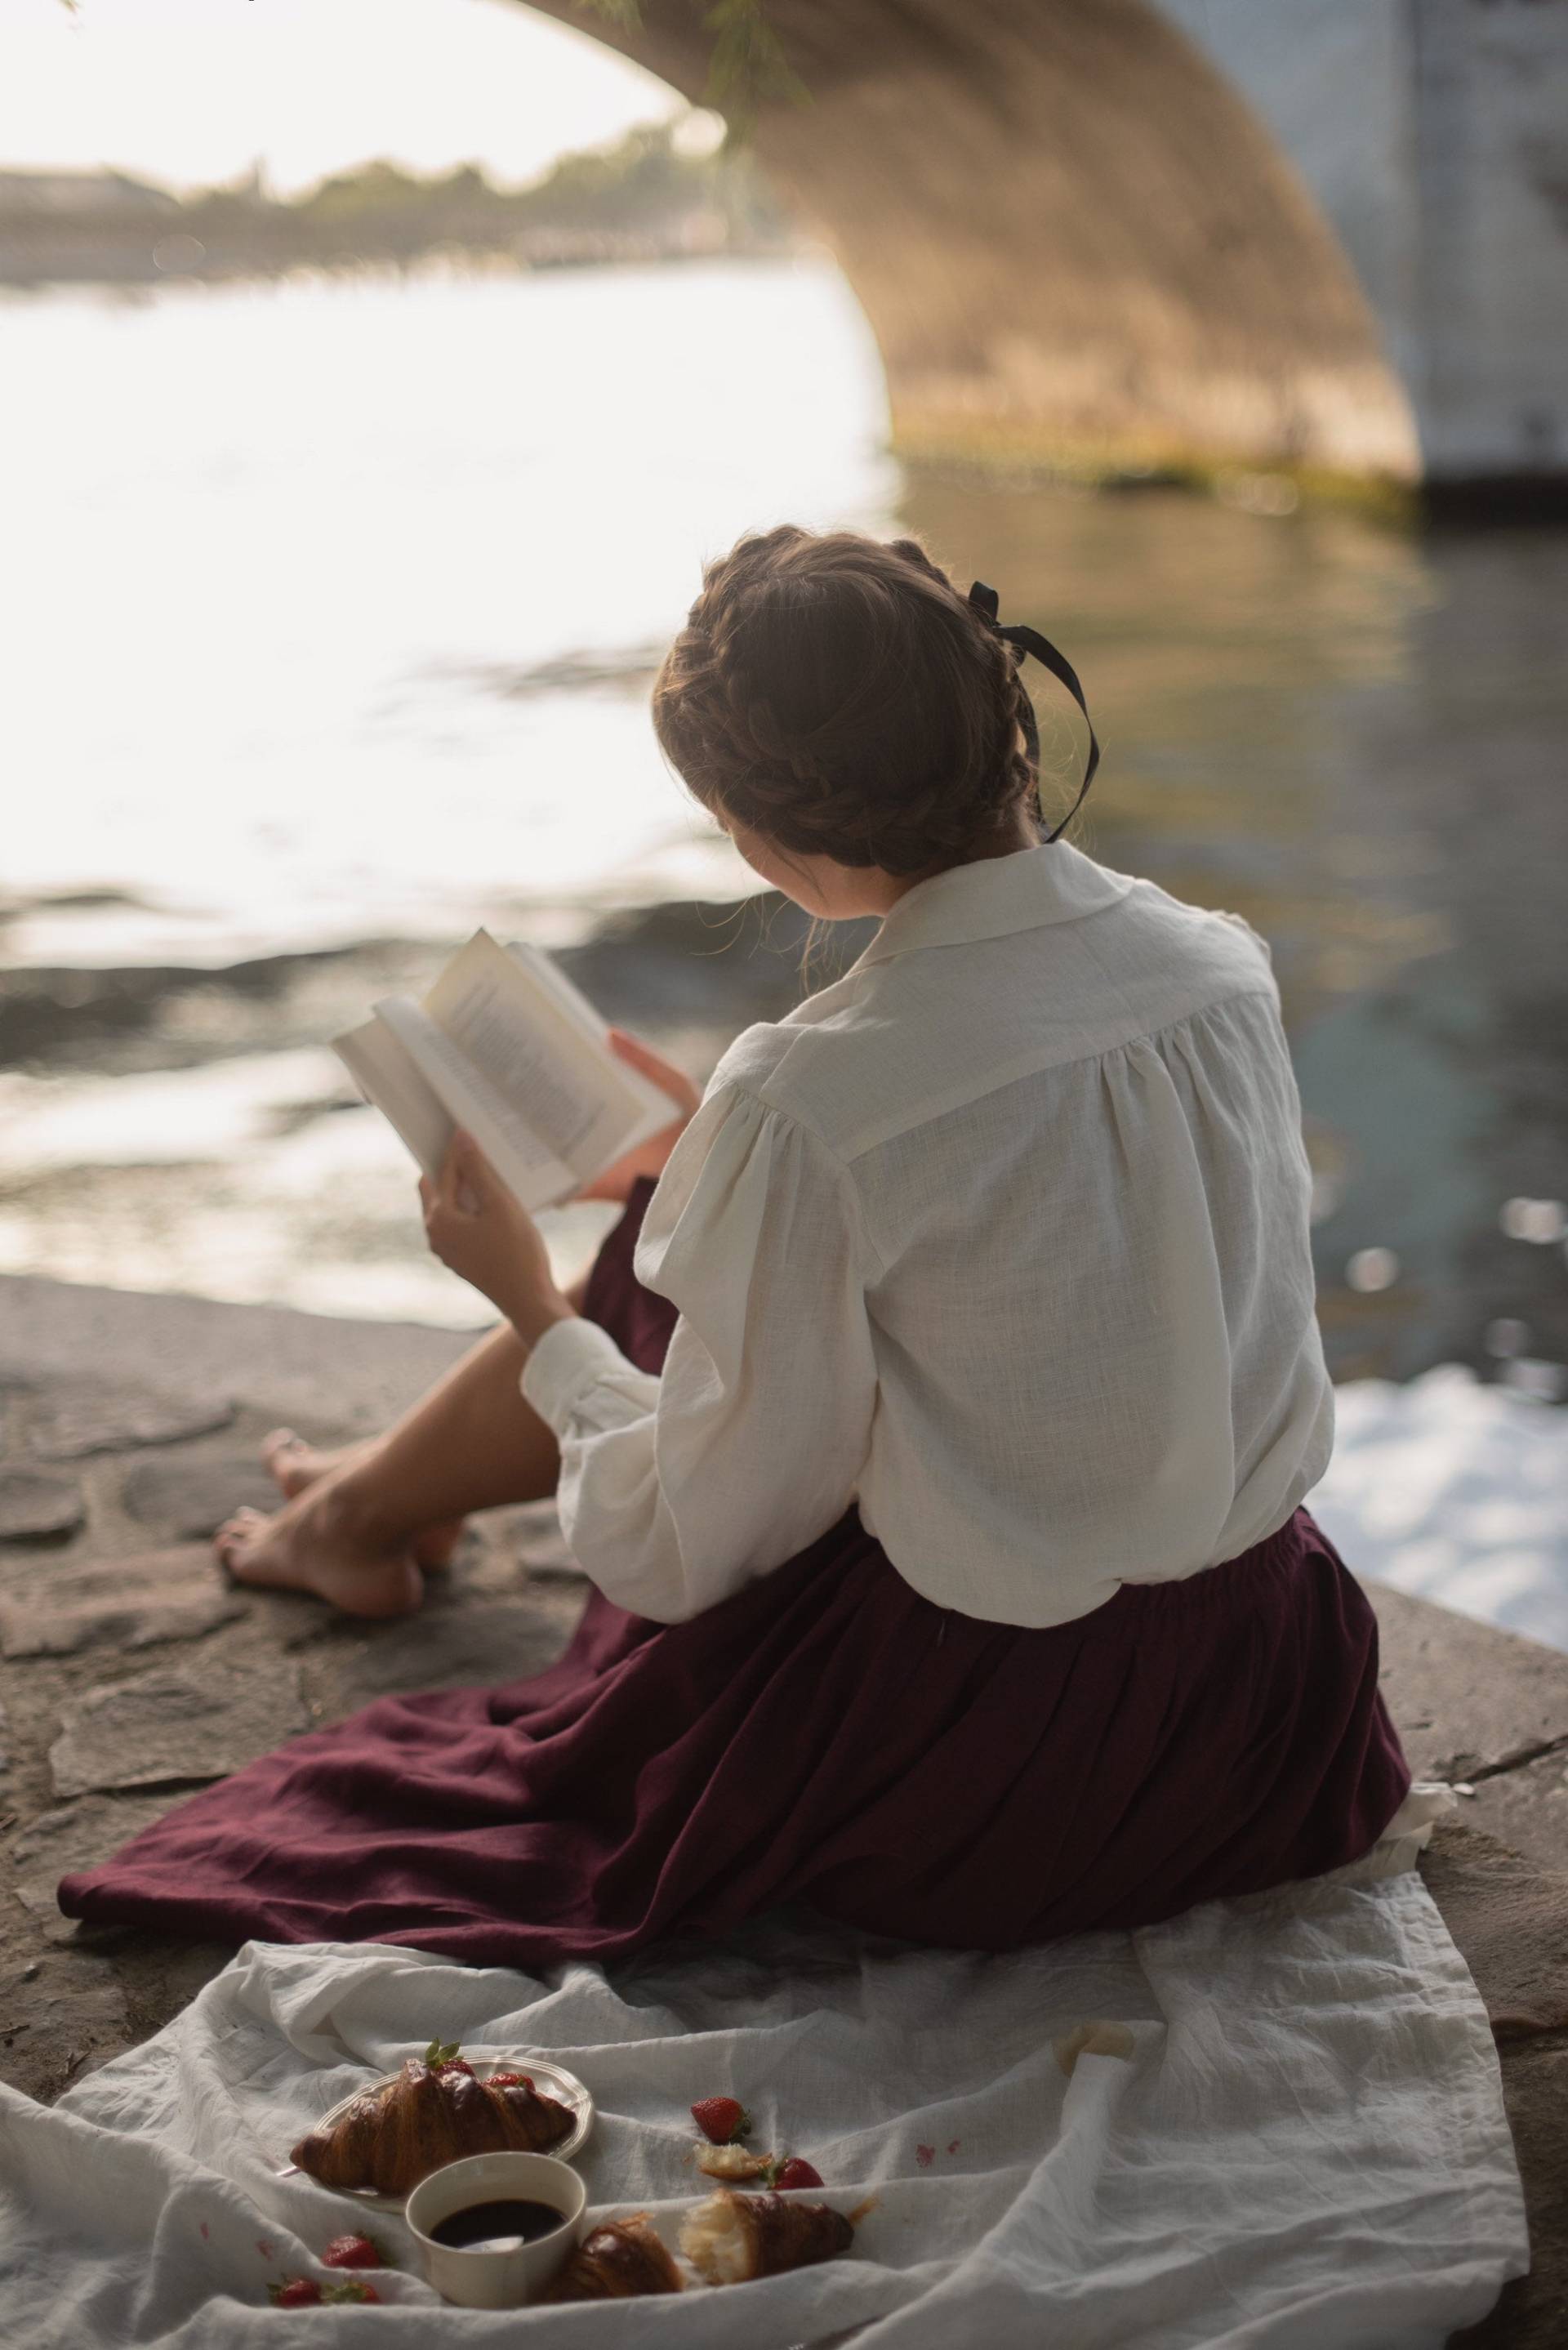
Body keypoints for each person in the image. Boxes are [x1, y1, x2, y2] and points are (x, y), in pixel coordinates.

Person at [56, 525, 1411, 1963]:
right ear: (1000, 721)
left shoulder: (815, 1088)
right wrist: (710, 1157)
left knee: (650, 1284)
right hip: (1273, 1711)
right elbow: (1056, 1240)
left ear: (772, 832)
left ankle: (363, 1512)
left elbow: (700, 1536)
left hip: (1019, 1778)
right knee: (680, 1213)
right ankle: (368, 1500)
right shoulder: (1218, 965)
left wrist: (528, 1300)